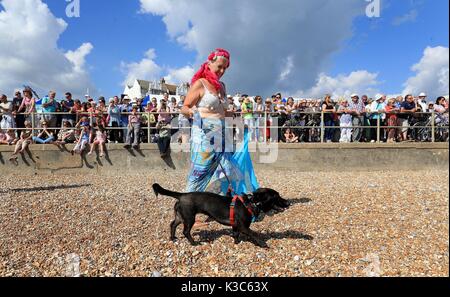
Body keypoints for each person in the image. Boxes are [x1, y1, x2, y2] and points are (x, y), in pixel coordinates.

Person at [180, 48, 259, 227]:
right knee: (198, 174)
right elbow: (184, 107)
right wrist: (194, 113)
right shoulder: (200, 84)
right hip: (204, 135)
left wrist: (236, 115)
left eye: (225, 68)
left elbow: (222, 111)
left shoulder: (222, 87)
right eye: (220, 67)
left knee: (229, 171)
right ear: (209, 63)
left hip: (222, 134)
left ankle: (222, 208)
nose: (222, 71)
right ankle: (187, 211)